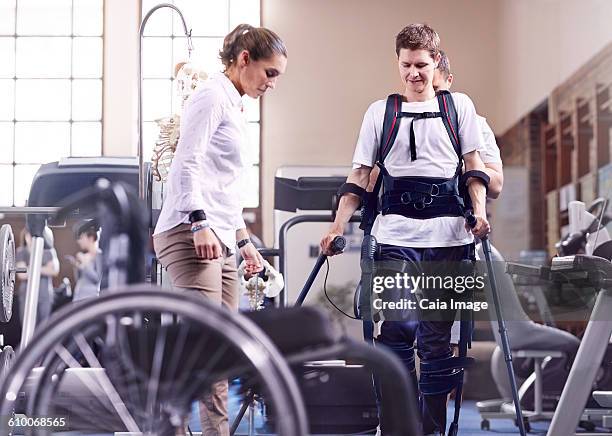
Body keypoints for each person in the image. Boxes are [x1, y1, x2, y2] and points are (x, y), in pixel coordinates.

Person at [320, 23, 489, 435]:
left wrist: (480, 212)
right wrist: (337, 225)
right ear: (398, 63)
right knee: (398, 326)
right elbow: (359, 174)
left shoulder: (458, 107)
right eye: (406, 65)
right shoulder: (381, 112)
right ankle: (397, 424)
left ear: (436, 62)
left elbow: (473, 166)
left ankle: (429, 428)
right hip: (395, 238)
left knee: (435, 339)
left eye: (422, 65)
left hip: (450, 239)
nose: (414, 73)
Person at [153, 24, 287, 436]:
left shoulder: (234, 102)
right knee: (209, 344)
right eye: (270, 73)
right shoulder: (211, 95)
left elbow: (221, 186)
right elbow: (186, 164)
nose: (272, 84)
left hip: (220, 237)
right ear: (244, 59)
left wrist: (245, 242)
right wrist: (198, 223)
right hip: (188, 233)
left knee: (224, 349)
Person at [15, 227, 59, 326]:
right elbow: (21, 274)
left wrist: (31, 268)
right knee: (27, 324)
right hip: (26, 294)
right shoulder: (21, 252)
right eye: (29, 235)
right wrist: (43, 268)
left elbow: (54, 270)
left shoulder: (49, 252)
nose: (31, 238)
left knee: (44, 325)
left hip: (45, 294)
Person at [67, 220, 103, 302]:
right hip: (79, 296)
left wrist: (84, 264)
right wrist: (76, 266)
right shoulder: (85, 255)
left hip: (90, 299)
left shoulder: (99, 255)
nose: (79, 241)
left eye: (82, 238)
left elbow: (97, 279)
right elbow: (79, 279)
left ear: (91, 238)